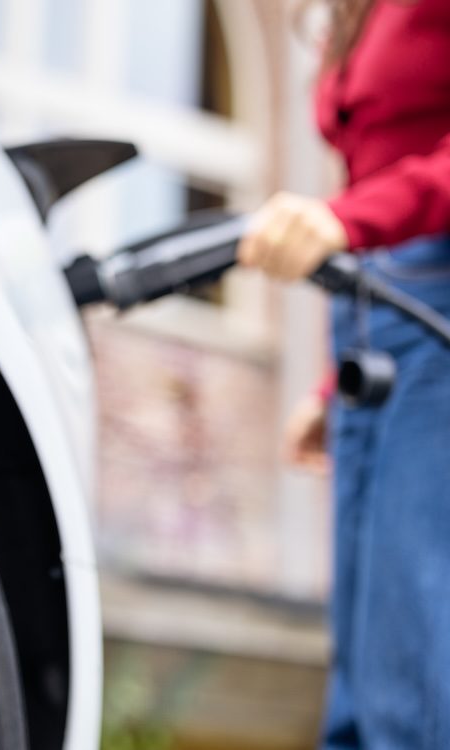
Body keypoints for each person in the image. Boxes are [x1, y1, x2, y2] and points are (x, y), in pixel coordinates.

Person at [236, 1, 450, 746]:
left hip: (436, 308)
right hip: (372, 314)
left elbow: (375, 199)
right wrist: (334, 385)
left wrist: (353, 217)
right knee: (357, 674)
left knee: (407, 667)